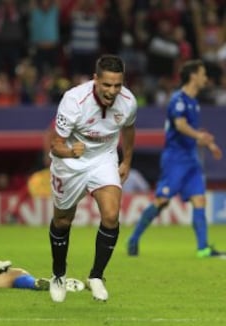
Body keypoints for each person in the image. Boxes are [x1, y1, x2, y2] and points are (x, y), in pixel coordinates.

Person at [48, 54, 137, 302]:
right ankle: (58, 274)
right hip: (70, 161)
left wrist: (127, 160)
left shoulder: (128, 102)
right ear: (95, 79)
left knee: (111, 215)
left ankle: (96, 276)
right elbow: (55, 144)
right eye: (107, 84)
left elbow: (129, 129)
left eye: (117, 85)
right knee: (63, 221)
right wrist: (70, 151)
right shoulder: (74, 100)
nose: (112, 91)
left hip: (103, 158)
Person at [127, 59, 224, 258]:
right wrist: (200, 137)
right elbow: (180, 125)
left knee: (199, 199)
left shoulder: (194, 102)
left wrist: (209, 143)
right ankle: (134, 238)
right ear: (193, 76)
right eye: (203, 73)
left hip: (191, 159)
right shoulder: (177, 99)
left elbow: (192, 131)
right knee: (162, 201)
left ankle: (203, 248)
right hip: (175, 159)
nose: (205, 78)